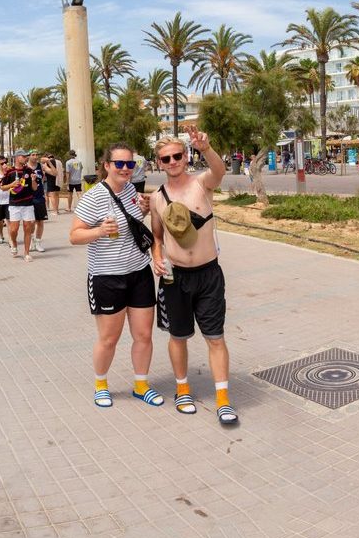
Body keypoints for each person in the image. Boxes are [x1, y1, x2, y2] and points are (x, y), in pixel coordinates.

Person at [150, 131, 237, 425]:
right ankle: (183, 390)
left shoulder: (201, 184)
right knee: (178, 336)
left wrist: (207, 148)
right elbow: (157, 237)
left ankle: (223, 399)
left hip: (208, 274)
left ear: (186, 156)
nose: (173, 161)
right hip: (175, 278)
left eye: (178, 155)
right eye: (166, 158)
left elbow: (219, 171)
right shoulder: (157, 198)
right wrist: (156, 257)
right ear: (159, 163)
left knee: (215, 337)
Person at [69, 142, 160, 410]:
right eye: (119, 163)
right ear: (107, 165)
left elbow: (132, 222)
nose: (125, 168)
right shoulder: (93, 197)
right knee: (109, 338)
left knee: (143, 335)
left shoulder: (131, 190)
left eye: (130, 164)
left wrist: (144, 210)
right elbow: (74, 236)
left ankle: (141, 386)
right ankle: (101, 385)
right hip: (107, 277)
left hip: (139, 272)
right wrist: (99, 231)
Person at [0, 149, 38, 262]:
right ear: (17, 157)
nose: (26, 158)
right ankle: (14, 244)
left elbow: (34, 188)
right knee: (13, 229)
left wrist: (33, 180)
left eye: (26, 156)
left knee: (27, 228)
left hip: (28, 203)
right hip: (14, 204)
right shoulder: (10, 172)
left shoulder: (29, 170)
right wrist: (11, 184)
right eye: (23, 156)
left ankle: (26, 253)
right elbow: (2, 187)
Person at [27, 150, 48, 253]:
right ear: (28, 156)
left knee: (40, 221)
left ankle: (38, 243)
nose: (35, 156)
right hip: (29, 198)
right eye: (33, 155)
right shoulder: (25, 167)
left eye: (36, 155)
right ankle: (32, 241)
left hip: (40, 197)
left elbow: (54, 173)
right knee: (31, 222)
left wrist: (48, 163)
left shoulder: (41, 166)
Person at [43, 153, 62, 217]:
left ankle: (55, 211)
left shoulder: (47, 162)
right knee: (57, 195)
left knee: (52, 196)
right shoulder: (59, 162)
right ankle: (57, 210)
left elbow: (45, 172)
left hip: (51, 180)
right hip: (58, 180)